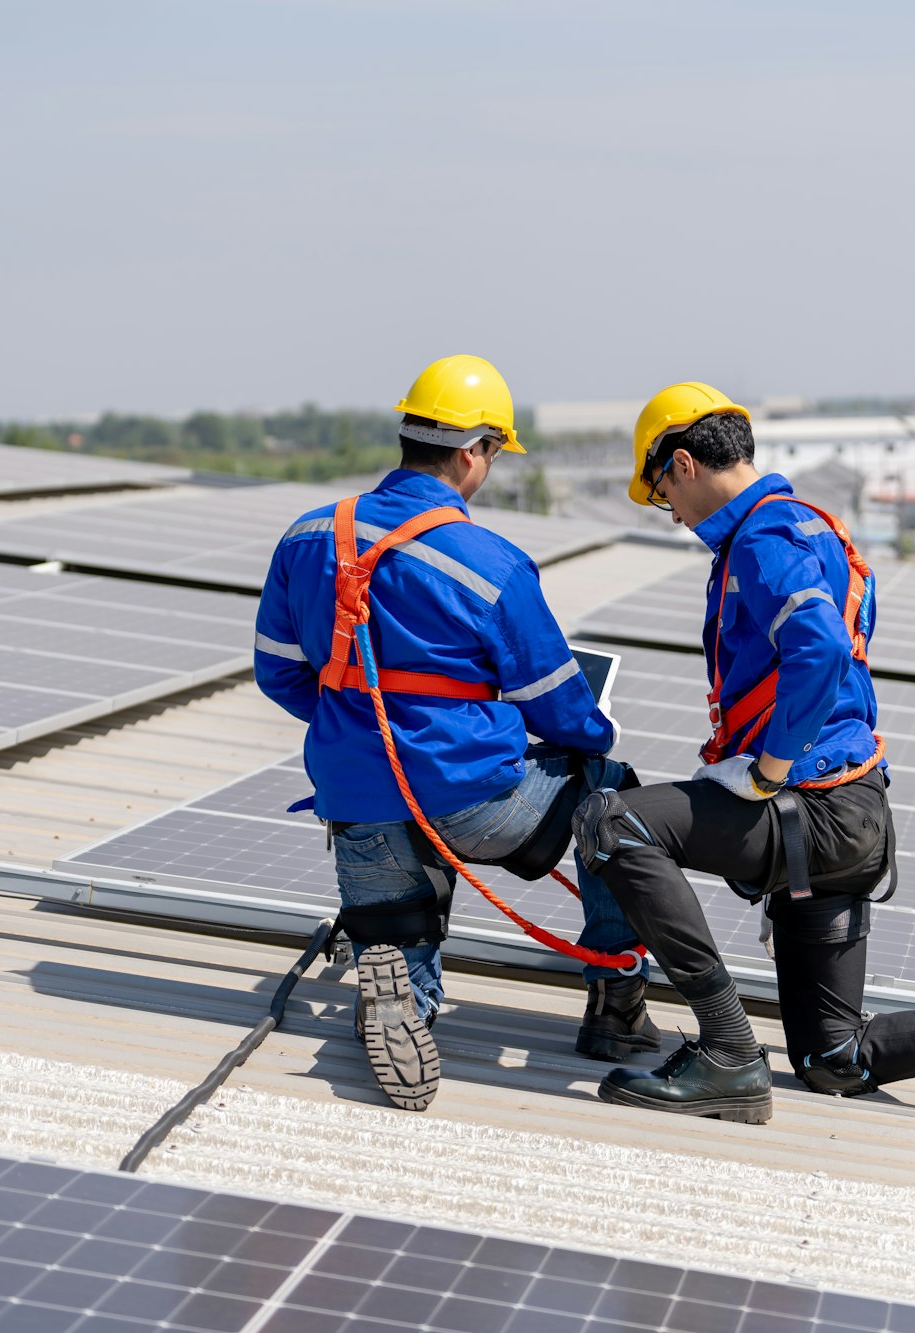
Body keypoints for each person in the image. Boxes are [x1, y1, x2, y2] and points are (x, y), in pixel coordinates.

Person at [570, 382, 915, 1136]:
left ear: (682, 464)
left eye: (662, 495)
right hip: (852, 818)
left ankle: (728, 1049)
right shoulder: (813, 528)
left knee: (613, 821)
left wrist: (768, 768)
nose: (671, 514)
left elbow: (822, 648)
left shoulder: (766, 540)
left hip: (812, 811)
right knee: (834, 1057)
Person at [253, 354, 655, 1113]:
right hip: (474, 799)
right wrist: (594, 736)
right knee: (616, 796)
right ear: (473, 451)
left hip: (357, 794)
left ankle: (403, 993)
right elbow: (559, 709)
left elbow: (278, 672)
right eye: (495, 452)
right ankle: (616, 1006)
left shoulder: (307, 537)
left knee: (397, 932)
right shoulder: (491, 564)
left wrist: (366, 727)